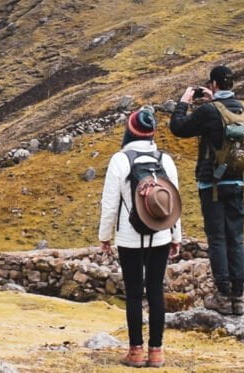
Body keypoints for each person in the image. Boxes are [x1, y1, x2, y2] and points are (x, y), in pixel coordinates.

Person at [99, 105, 182, 368]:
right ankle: (156, 352)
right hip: (160, 234)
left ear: (130, 130)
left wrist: (105, 237)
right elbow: (175, 202)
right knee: (156, 291)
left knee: (134, 294)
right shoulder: (164, 159)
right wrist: (176, 235)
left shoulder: (120, 160)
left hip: (129, 236)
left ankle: (135, 352)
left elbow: (110, 205)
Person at [168, 65, 244, 316]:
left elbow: (179, 128)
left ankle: (222, 294)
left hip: (212, 183)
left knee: (217, 238)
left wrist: (183, 102)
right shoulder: (243, 109)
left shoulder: (208, 111)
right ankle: (238, 296)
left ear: (213, 84)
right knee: (235, 238)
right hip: (238, 181)